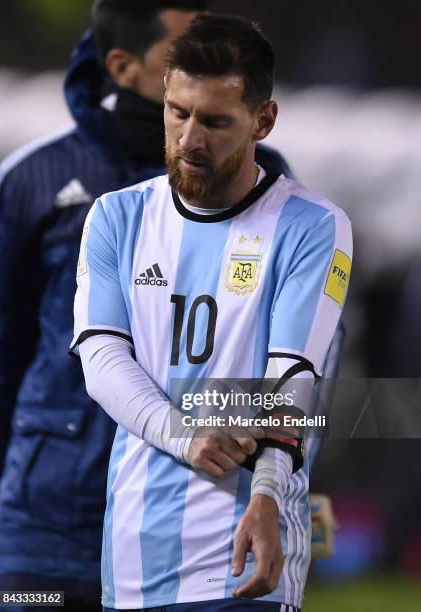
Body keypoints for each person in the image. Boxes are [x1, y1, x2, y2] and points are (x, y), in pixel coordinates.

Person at [0, 2, 294, 611]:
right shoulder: (36, 178)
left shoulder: (270, 189)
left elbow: (299, 361)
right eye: (181, 52)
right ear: (124, 66)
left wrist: (277, 483)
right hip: (47, 523)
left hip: (195, 514)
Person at [71, 13, 353, 612]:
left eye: (216, 121)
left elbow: (292, 375)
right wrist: (186, 434)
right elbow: (100, 360)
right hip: (133, 555)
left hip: (246, 545)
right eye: (179, 112)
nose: (190, 138)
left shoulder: (313, 226)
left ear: (264, 119)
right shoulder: (116, 218)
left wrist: (272, 490)